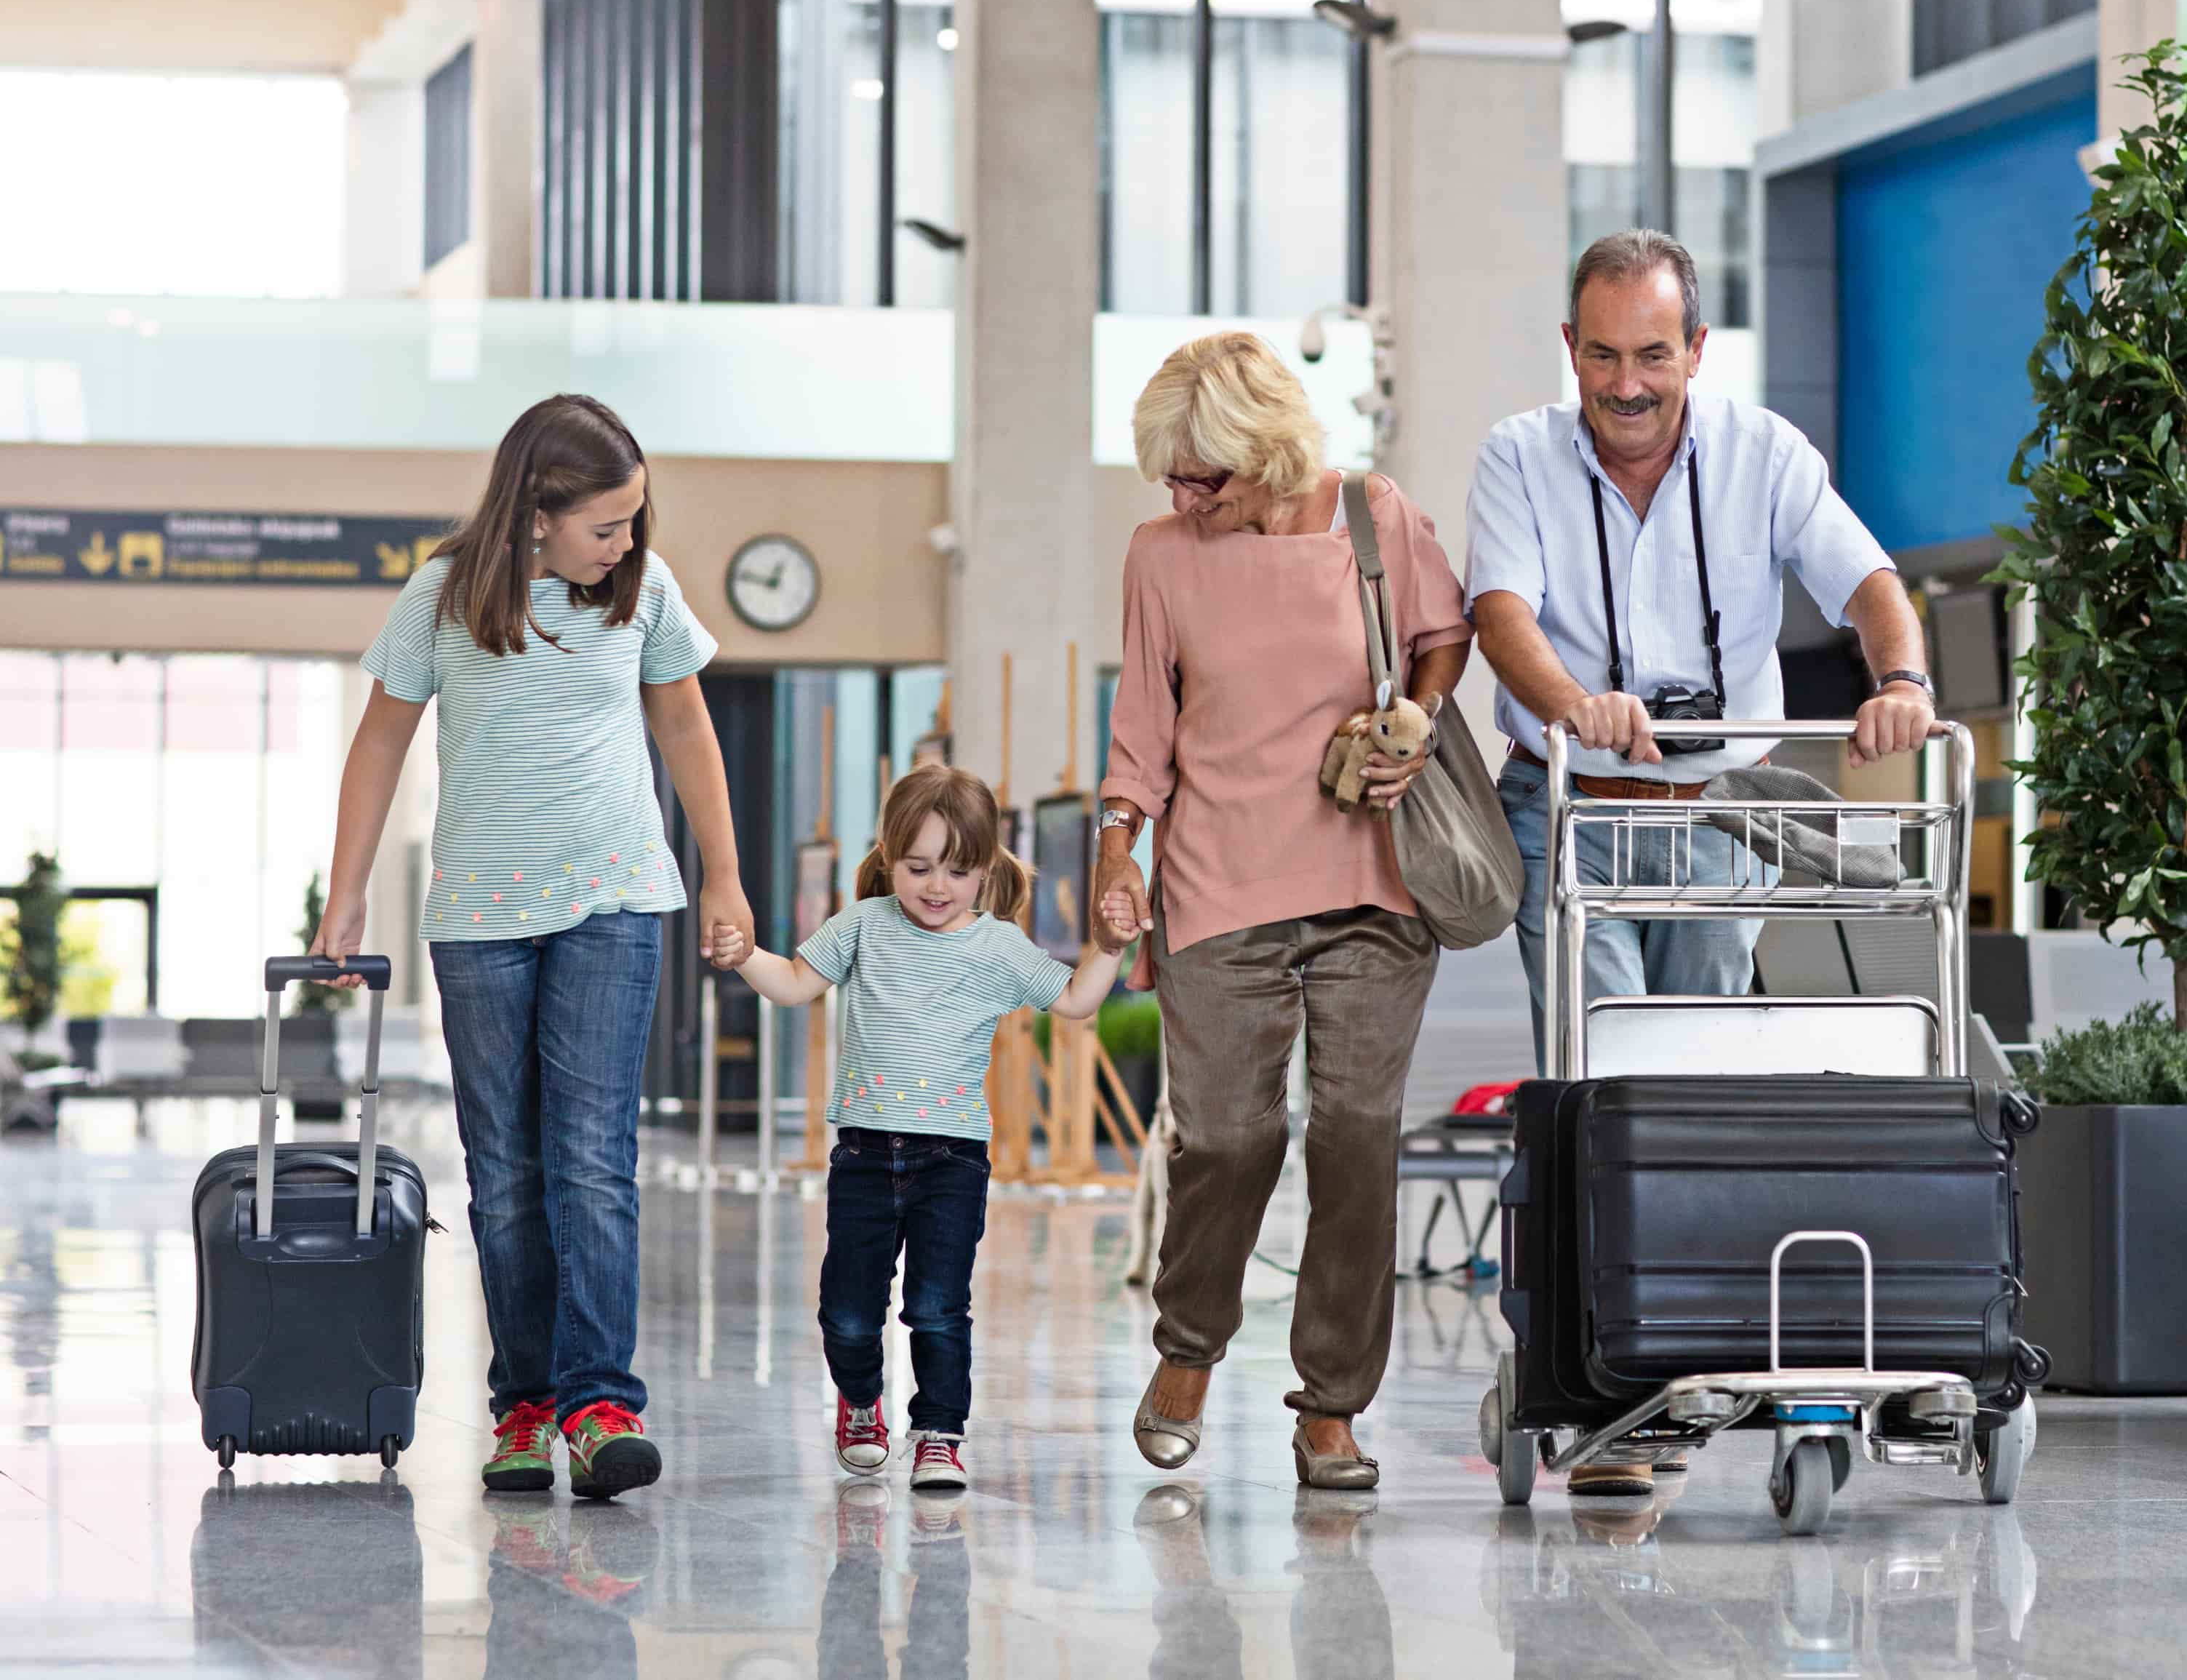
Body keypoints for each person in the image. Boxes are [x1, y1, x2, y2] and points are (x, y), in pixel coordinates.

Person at [315, 393, 749, 1501]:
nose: (627, 542)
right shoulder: (446, 593)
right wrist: (347, 891)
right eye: (606, 525)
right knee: (507, 1174)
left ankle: (601, 1401)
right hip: (479, 919)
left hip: (615, 899)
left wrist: (725, 873)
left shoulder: (643, 592)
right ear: (537, 514)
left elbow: (687, 723)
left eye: (635, 520)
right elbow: (380, 738)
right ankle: (523, 1402)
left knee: (594, 1160)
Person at [1089, 330, 1472, 1492]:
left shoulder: (1373, 517)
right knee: (1225, 1137)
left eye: (1202, 474)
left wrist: (1412, 716)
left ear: (1264, 453)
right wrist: (1119, 851)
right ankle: (1190, 1346)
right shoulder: (1162, 555)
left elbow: (1441, 640)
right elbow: (1141, 728)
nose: (1181, 495)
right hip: (1216, 882)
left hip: (1372, 881)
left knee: (1356, 1137)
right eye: (1169, 475)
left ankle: (1333, 1407)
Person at [1471, 228, 1938, 1045]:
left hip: (1724, 819)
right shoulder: (1517, 455)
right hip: (1569, 812)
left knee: (1700, 1060)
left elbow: (1869, 581)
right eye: (1603, 355)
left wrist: (1902, 683)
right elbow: (1501, 616)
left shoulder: (1764, 452)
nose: (1626, 385)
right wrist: (1577, 706)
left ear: (1695, 349)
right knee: (1598, 1063)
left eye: (1652, 355)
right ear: (1570, 347)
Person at [712, 762, 1119, 1493]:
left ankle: (939, 1430)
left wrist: (1112, 947)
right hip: (865, 1155)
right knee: (846, 1307)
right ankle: (861, 1401)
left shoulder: (996, 945)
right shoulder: (863, 926)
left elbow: (1077, 1002)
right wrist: (745, 957)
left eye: (958, 871)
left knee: (937, 1304)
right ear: (888, 855)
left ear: (986, 868)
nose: (937, 887)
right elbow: (796, 986)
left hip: (952, 1161)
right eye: (919, 866)